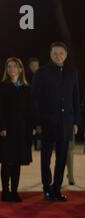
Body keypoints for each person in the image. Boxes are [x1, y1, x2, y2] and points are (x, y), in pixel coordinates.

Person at [31, 42, 80, 201]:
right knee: (46, 157)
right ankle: (47, 188)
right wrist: (37, 122)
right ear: (50, 55)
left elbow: (75, 98)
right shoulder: (42, 72)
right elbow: (35, 99)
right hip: (47, 122)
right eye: (55, 53)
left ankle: (56, 189)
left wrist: (75, 122)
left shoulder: (72, 73)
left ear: (65, 55)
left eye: (61, 53)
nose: (58, 56)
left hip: (66, 122)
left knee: (62, 157)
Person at [0, 57, 34, 202]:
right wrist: (1, 127)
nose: (12, 69)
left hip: (21, 130)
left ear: (21, 69)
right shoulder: (2, 86)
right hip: (7, 129)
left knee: (17, 162)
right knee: (6, 161)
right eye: (9, 66)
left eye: (15, 66)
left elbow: (30, 111)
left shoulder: (26, 88)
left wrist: (31, 129)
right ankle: (5, 191)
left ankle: (14, 191)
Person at [26, 57, 41, 151]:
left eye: (36, 66)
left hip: (38, 104)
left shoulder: (41, 76)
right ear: (29, 66)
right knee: (29, 124)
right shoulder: (25, 77)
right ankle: (28, 144)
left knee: (38, 124)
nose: (34, 67)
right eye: (33, 65)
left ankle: (38, 145)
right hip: (28, 104)